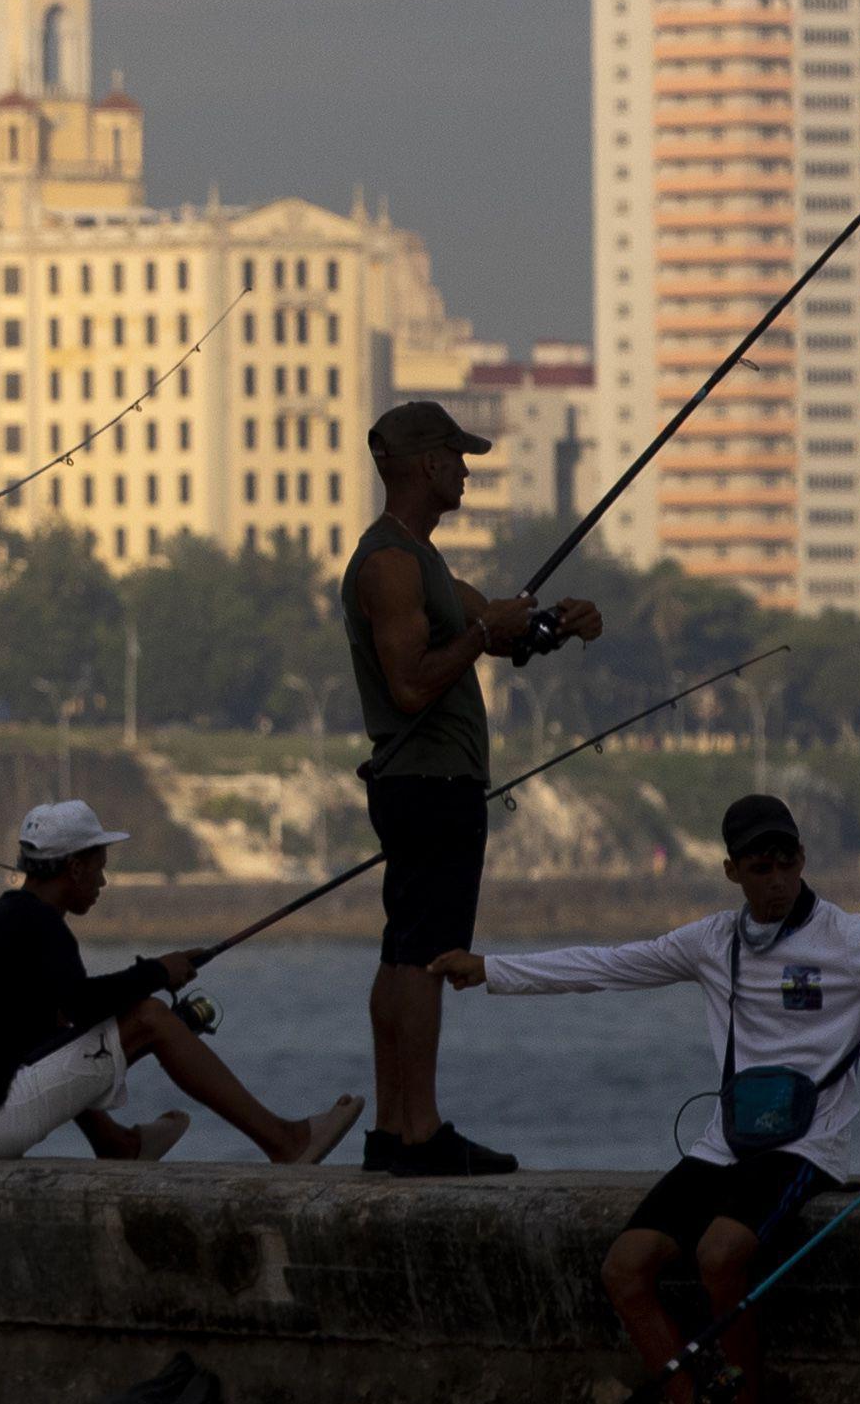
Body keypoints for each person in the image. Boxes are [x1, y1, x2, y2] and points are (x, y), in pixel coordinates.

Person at [430, 794, 860, 1404]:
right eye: (759, 869)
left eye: (785, 864)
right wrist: (492, 969)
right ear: (732, 872)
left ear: (802, 859)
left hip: (804, 1146)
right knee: (624, 1266)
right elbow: (608, 965)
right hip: (726, 1145)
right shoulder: (713, 940)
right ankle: (685, 1396)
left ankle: (746, 1397)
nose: (775, 882)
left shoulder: (848, 939)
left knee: (720, 1256)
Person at [340, 398, 604, 1175]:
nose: (464, 470)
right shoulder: (389, 564)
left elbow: (494, 622)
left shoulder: (418, 562)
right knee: (427, 956)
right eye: (456, 458)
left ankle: (391, 1131)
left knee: (400, 954)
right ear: (426, 465)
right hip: (430, 781)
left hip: (423, 783)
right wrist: (484, 637)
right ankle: (418, 1133)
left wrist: (555, 621)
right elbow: (415, 682)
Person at [0, 800, 364, 1165]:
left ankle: (118, 1146)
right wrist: (156, 973)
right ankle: (285, 1142)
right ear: (73, 868)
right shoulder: (41, 926)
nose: (103, 881)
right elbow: (86, 1004)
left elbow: (65, 1017)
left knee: (58, 1025)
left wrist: (154, 973)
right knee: (151, 1018)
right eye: (99, 867)